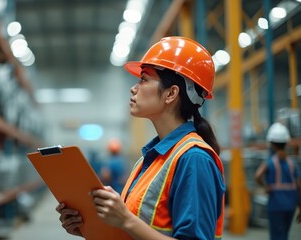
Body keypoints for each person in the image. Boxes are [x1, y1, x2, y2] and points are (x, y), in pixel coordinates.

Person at [56, 36, 226, 239]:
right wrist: (88, 228)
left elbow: (132, 224)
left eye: (144, 79)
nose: (133, 88)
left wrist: (125, 219)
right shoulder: (151, 159)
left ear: (171, 94)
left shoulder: (194, 159)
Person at [254, 122, 301, 240]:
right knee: (285, 235)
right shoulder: (292, 163)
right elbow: (299, 185)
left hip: (276, 205)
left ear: (272, 144)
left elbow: (257, 176)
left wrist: (266, 186)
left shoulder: (270, 162)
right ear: (286, 143)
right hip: (290, 205)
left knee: (276, 236)